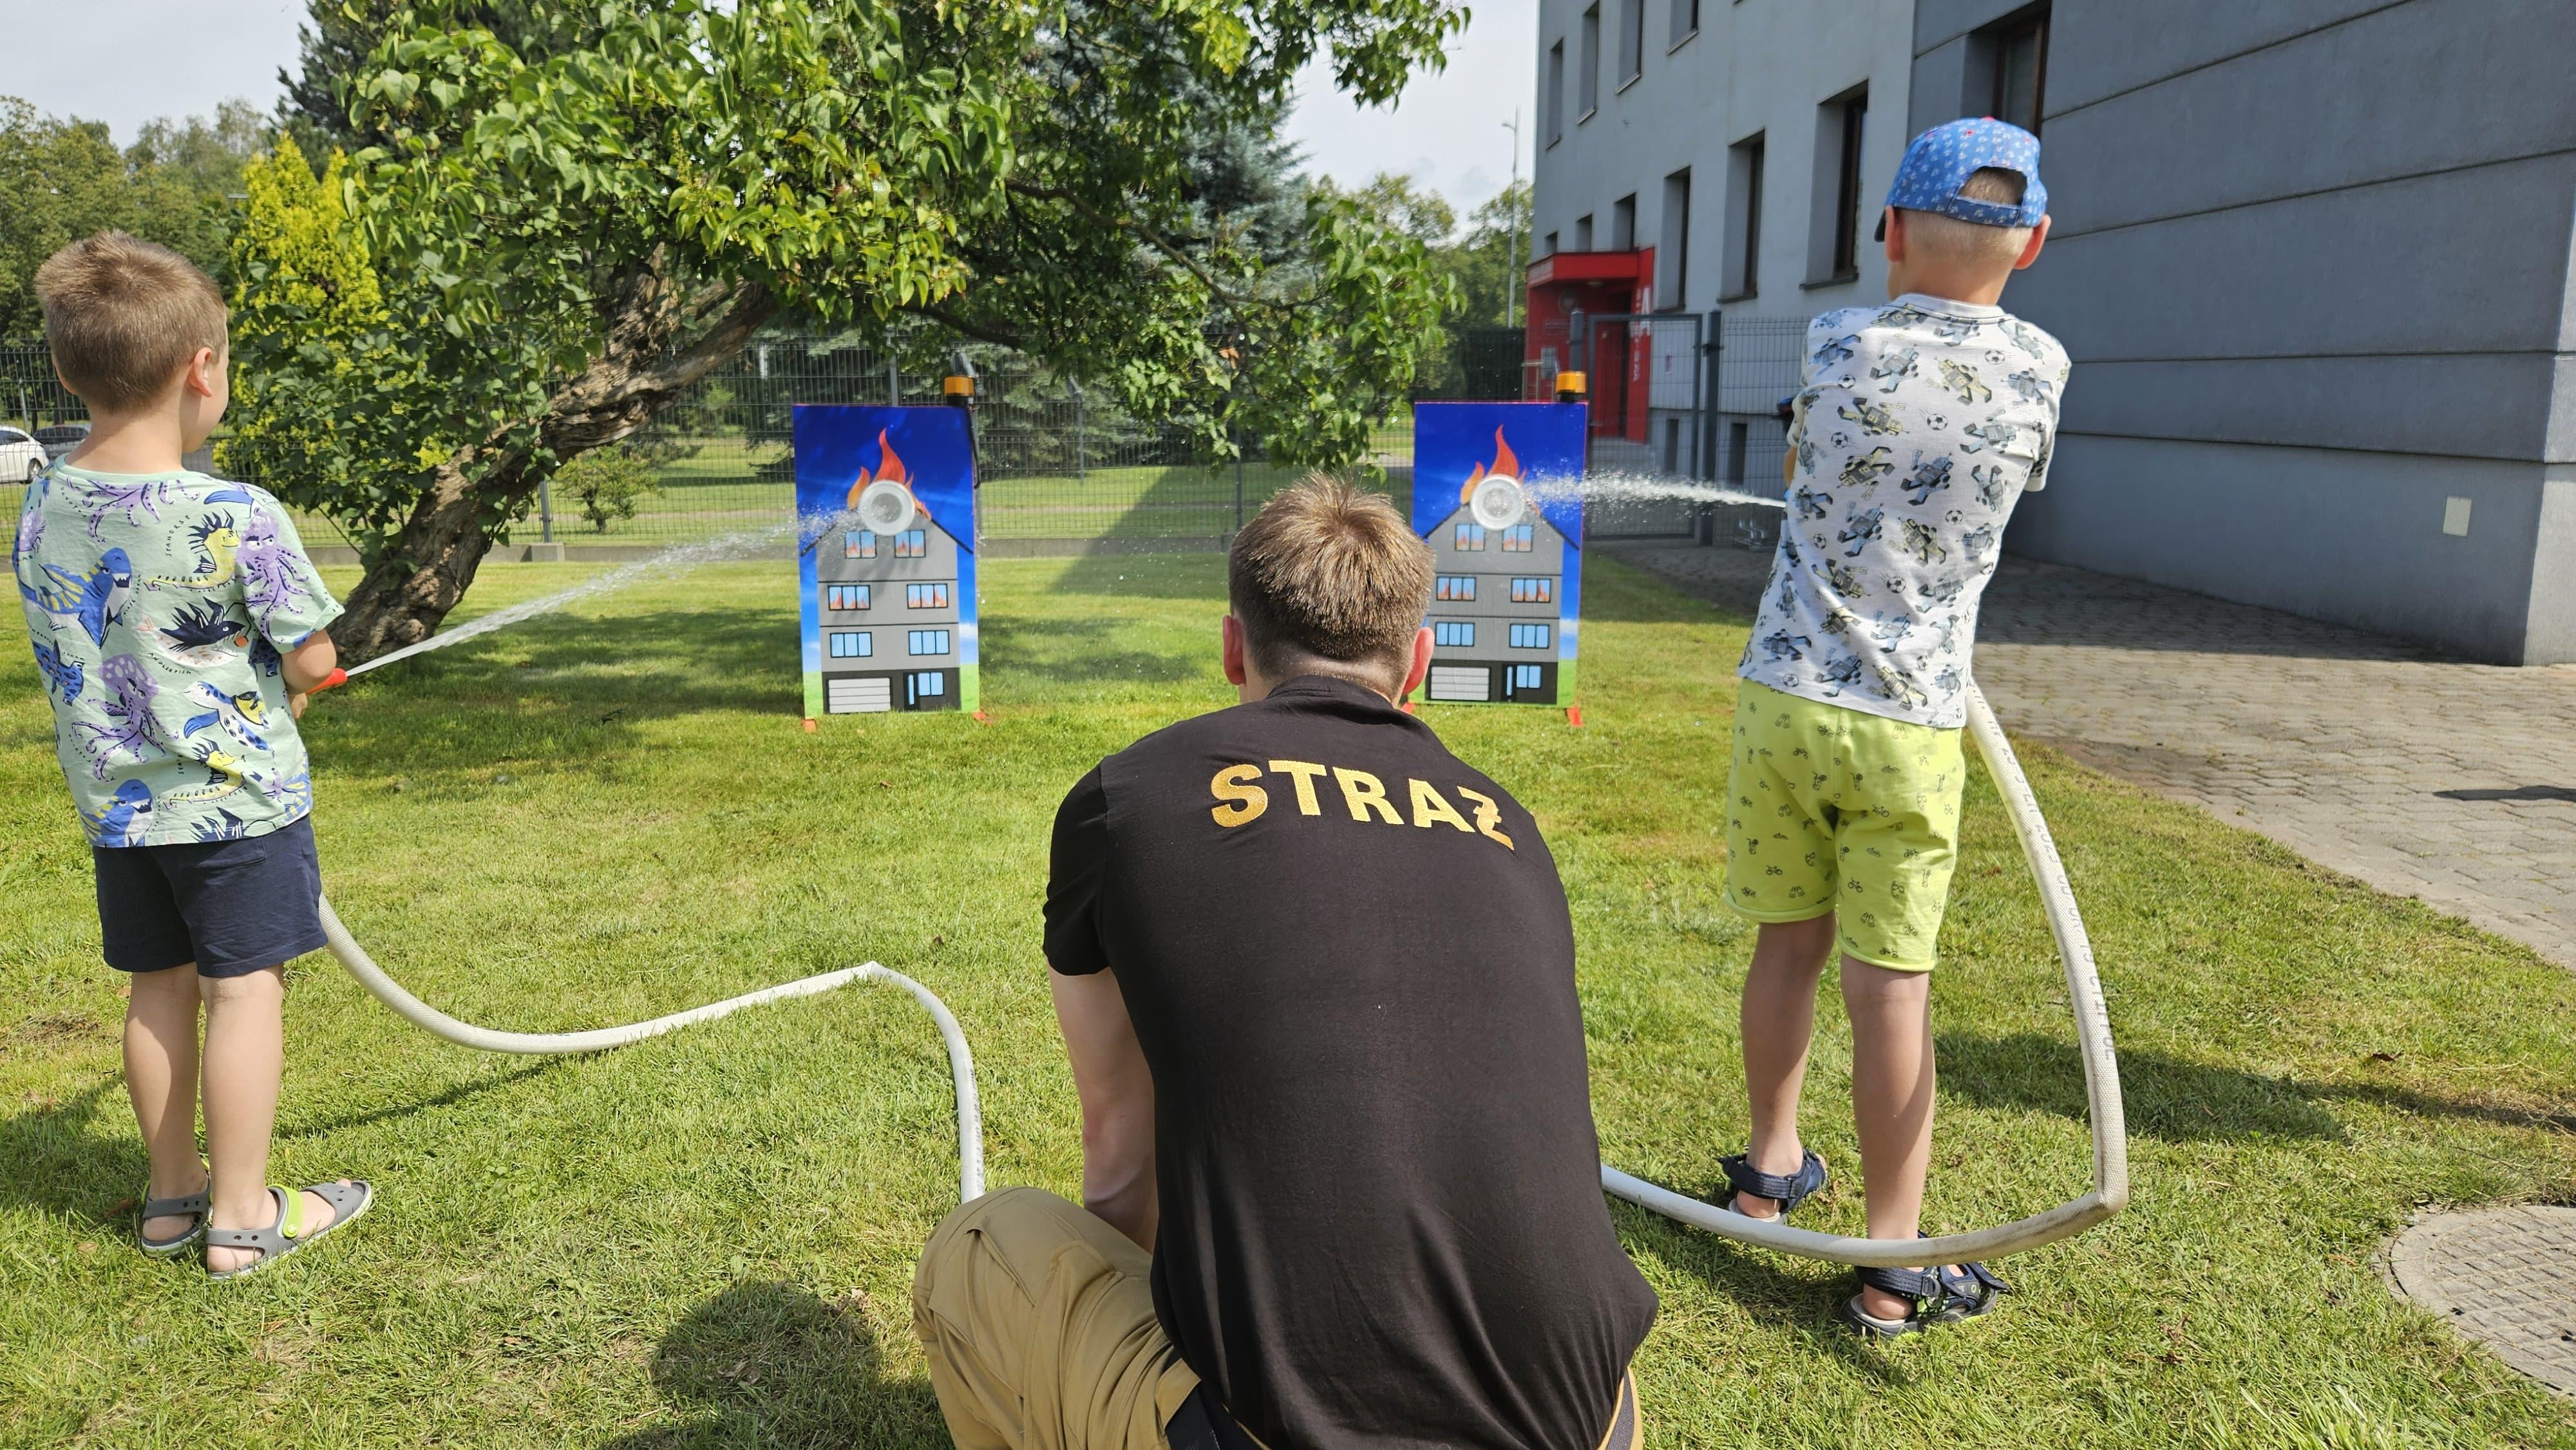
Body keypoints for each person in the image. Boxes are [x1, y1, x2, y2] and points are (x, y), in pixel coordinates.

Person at [911, 478, 1655, 1449]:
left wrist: (1131, 1310)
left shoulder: (1129, 797)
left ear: (1233, 648)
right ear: (1419, 663)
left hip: (1270, 1431)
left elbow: (1120, 1148)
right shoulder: (1509, 823)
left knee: (978, 1246)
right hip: (1589, 1425)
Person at [1720, 118, 2070, 1336]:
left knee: (1786, 947)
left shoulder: (1832, 340)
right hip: (1907, 723)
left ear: (1889, 231)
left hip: (1783, 699)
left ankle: (1769, 1172)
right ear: (2033, 242)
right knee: (1892, 992)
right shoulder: (2041, 367)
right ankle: (1890, 1262)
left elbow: (1811, 460)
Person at [14, 232, 370, 1279]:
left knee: (157, 991)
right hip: (236, 812)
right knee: (244, 992)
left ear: (68, 371)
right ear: (201, 369)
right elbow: (314, 659)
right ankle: (245, 1217)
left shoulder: (42, 503)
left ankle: (172, 1204)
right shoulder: (236, 513)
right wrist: (303, 677)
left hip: (120, 816)